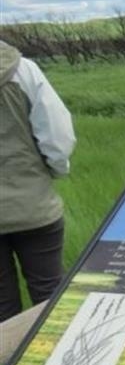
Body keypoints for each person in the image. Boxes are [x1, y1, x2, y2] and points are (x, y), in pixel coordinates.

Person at [0, 40, 76, 322]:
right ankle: (55, 363)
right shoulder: (23, 69)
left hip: (32, 204)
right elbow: (57, 135)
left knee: (2, 308)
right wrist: (54, 169)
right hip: (33, 204)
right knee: (49, 297)